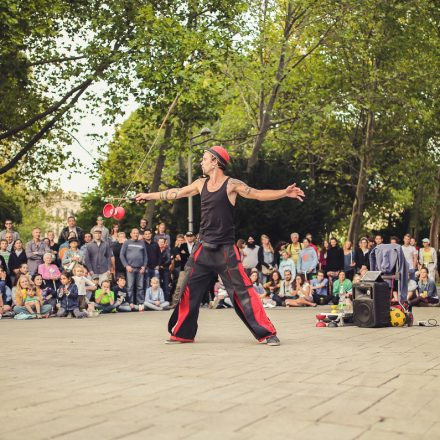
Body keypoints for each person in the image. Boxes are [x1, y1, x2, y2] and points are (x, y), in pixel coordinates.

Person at [135, 145, 304, 345]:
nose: (201, 162)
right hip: (202, 250)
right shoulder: (200, 183)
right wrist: (148, 196)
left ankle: (267, 333)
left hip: (225, 251)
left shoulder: (232, 184)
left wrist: (284, 192)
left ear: (215, 161)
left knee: (244, 292)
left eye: (204, 158)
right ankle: (183, 333)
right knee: (188, 289)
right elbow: (176, 192)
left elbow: (258, 194)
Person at [120, 228, 147, 308]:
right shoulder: (127, 242)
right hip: (130, 268)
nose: (135, 234)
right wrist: (126, 266)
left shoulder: (142, 243)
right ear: (131, 234)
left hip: (140, 269)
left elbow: (145, 256)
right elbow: (122, 255)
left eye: (137, 233)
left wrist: (144, 266)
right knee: (130, 287)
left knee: (140, 287)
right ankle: (130, 303)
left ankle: (140, 303)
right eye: (134, 233)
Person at [157, 237, 171, 302]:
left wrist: (162, 265)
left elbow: (169, 260)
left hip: (165, 270)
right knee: (158, 285)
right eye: (160, 242)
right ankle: (159, 300)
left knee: (166, 285)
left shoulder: (167, 250)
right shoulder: (156, 250)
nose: (161, 243)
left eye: (162, 242)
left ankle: (166, 301)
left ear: (164, 243)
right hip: (157, 270)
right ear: (158, 242)